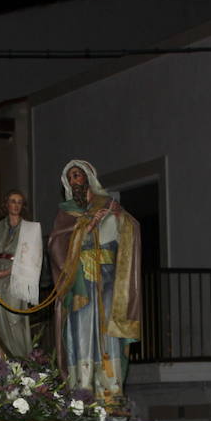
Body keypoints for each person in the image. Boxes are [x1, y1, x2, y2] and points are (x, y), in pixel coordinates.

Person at [47, 160, 141, 406]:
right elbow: (57, 246)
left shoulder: (109, 205)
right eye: (70, 177)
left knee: (109, 328)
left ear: (88, 177)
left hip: (108, 276)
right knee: (82, 328)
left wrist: (118, 219)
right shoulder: (66, 213)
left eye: (77, 175)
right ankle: (83, 388)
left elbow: (131, 229)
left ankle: (110, 389)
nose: (74, 180)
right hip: (80, 282)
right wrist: (87, 226)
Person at [0, 189, 37, 362]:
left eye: (19, 202)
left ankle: (18, 361)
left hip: (16, 276)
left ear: (23, 206)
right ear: (6, 204)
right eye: (12, 201)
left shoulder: (29, 229)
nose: (16, 205)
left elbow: (31, 258)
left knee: (14, 319)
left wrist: (5, 272)